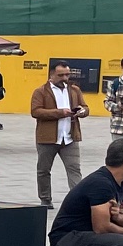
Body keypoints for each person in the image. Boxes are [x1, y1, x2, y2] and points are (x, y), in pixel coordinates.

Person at [29, 61, 88, 210]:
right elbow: (36, 111)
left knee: (74, 169)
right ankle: (45, 199)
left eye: (67, 75)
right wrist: (60, 113)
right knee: (43, 170)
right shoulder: (41, 91)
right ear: (51, 75)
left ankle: (78, 201)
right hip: (47, 138)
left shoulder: (74, 90)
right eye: (61, 75)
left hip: (70, 137)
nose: (65, 78)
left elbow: (85, 107)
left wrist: (82, 111)